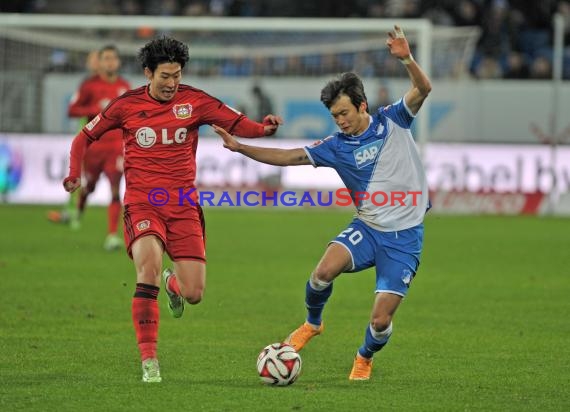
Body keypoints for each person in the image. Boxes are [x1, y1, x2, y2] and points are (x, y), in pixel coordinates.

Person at [213, 25, 431, 381]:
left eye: (345, 113)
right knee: (321, 273)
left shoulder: (394, 120)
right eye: (335, 116)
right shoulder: (335, 145)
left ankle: (364, 356)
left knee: (380, 321)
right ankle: (312, 324)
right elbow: (289, 157)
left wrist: (406, 57)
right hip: (369, 228)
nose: (341, 121)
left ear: (362, 105)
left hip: (405, 237)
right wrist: (241, 147)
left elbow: (423, 88)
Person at [63, 36, 282, 383]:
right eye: (165, 76)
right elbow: (83, 137)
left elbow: (237, 123)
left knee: (194, 294)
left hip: (182, 206)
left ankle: (174, 285)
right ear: (149, 73)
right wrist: (74, 173)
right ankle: (149, 360)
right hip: (142, 201)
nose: (171, 83)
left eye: (177, 75)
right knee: (147, 269)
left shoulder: (195, 101)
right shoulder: (127, 105)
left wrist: (264, 129)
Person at [49, 45, 131, 252]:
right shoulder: (89, 86)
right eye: (107, 59)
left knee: (115, 190)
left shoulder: (125, 87)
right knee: (90, 187)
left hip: (116, 148)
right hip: (94, 148)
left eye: (114, 58)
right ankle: (79, 209)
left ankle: (112, 236)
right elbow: (72, 109)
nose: (111, 62)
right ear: (100, 63)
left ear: (118, 62)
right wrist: (94, 109)